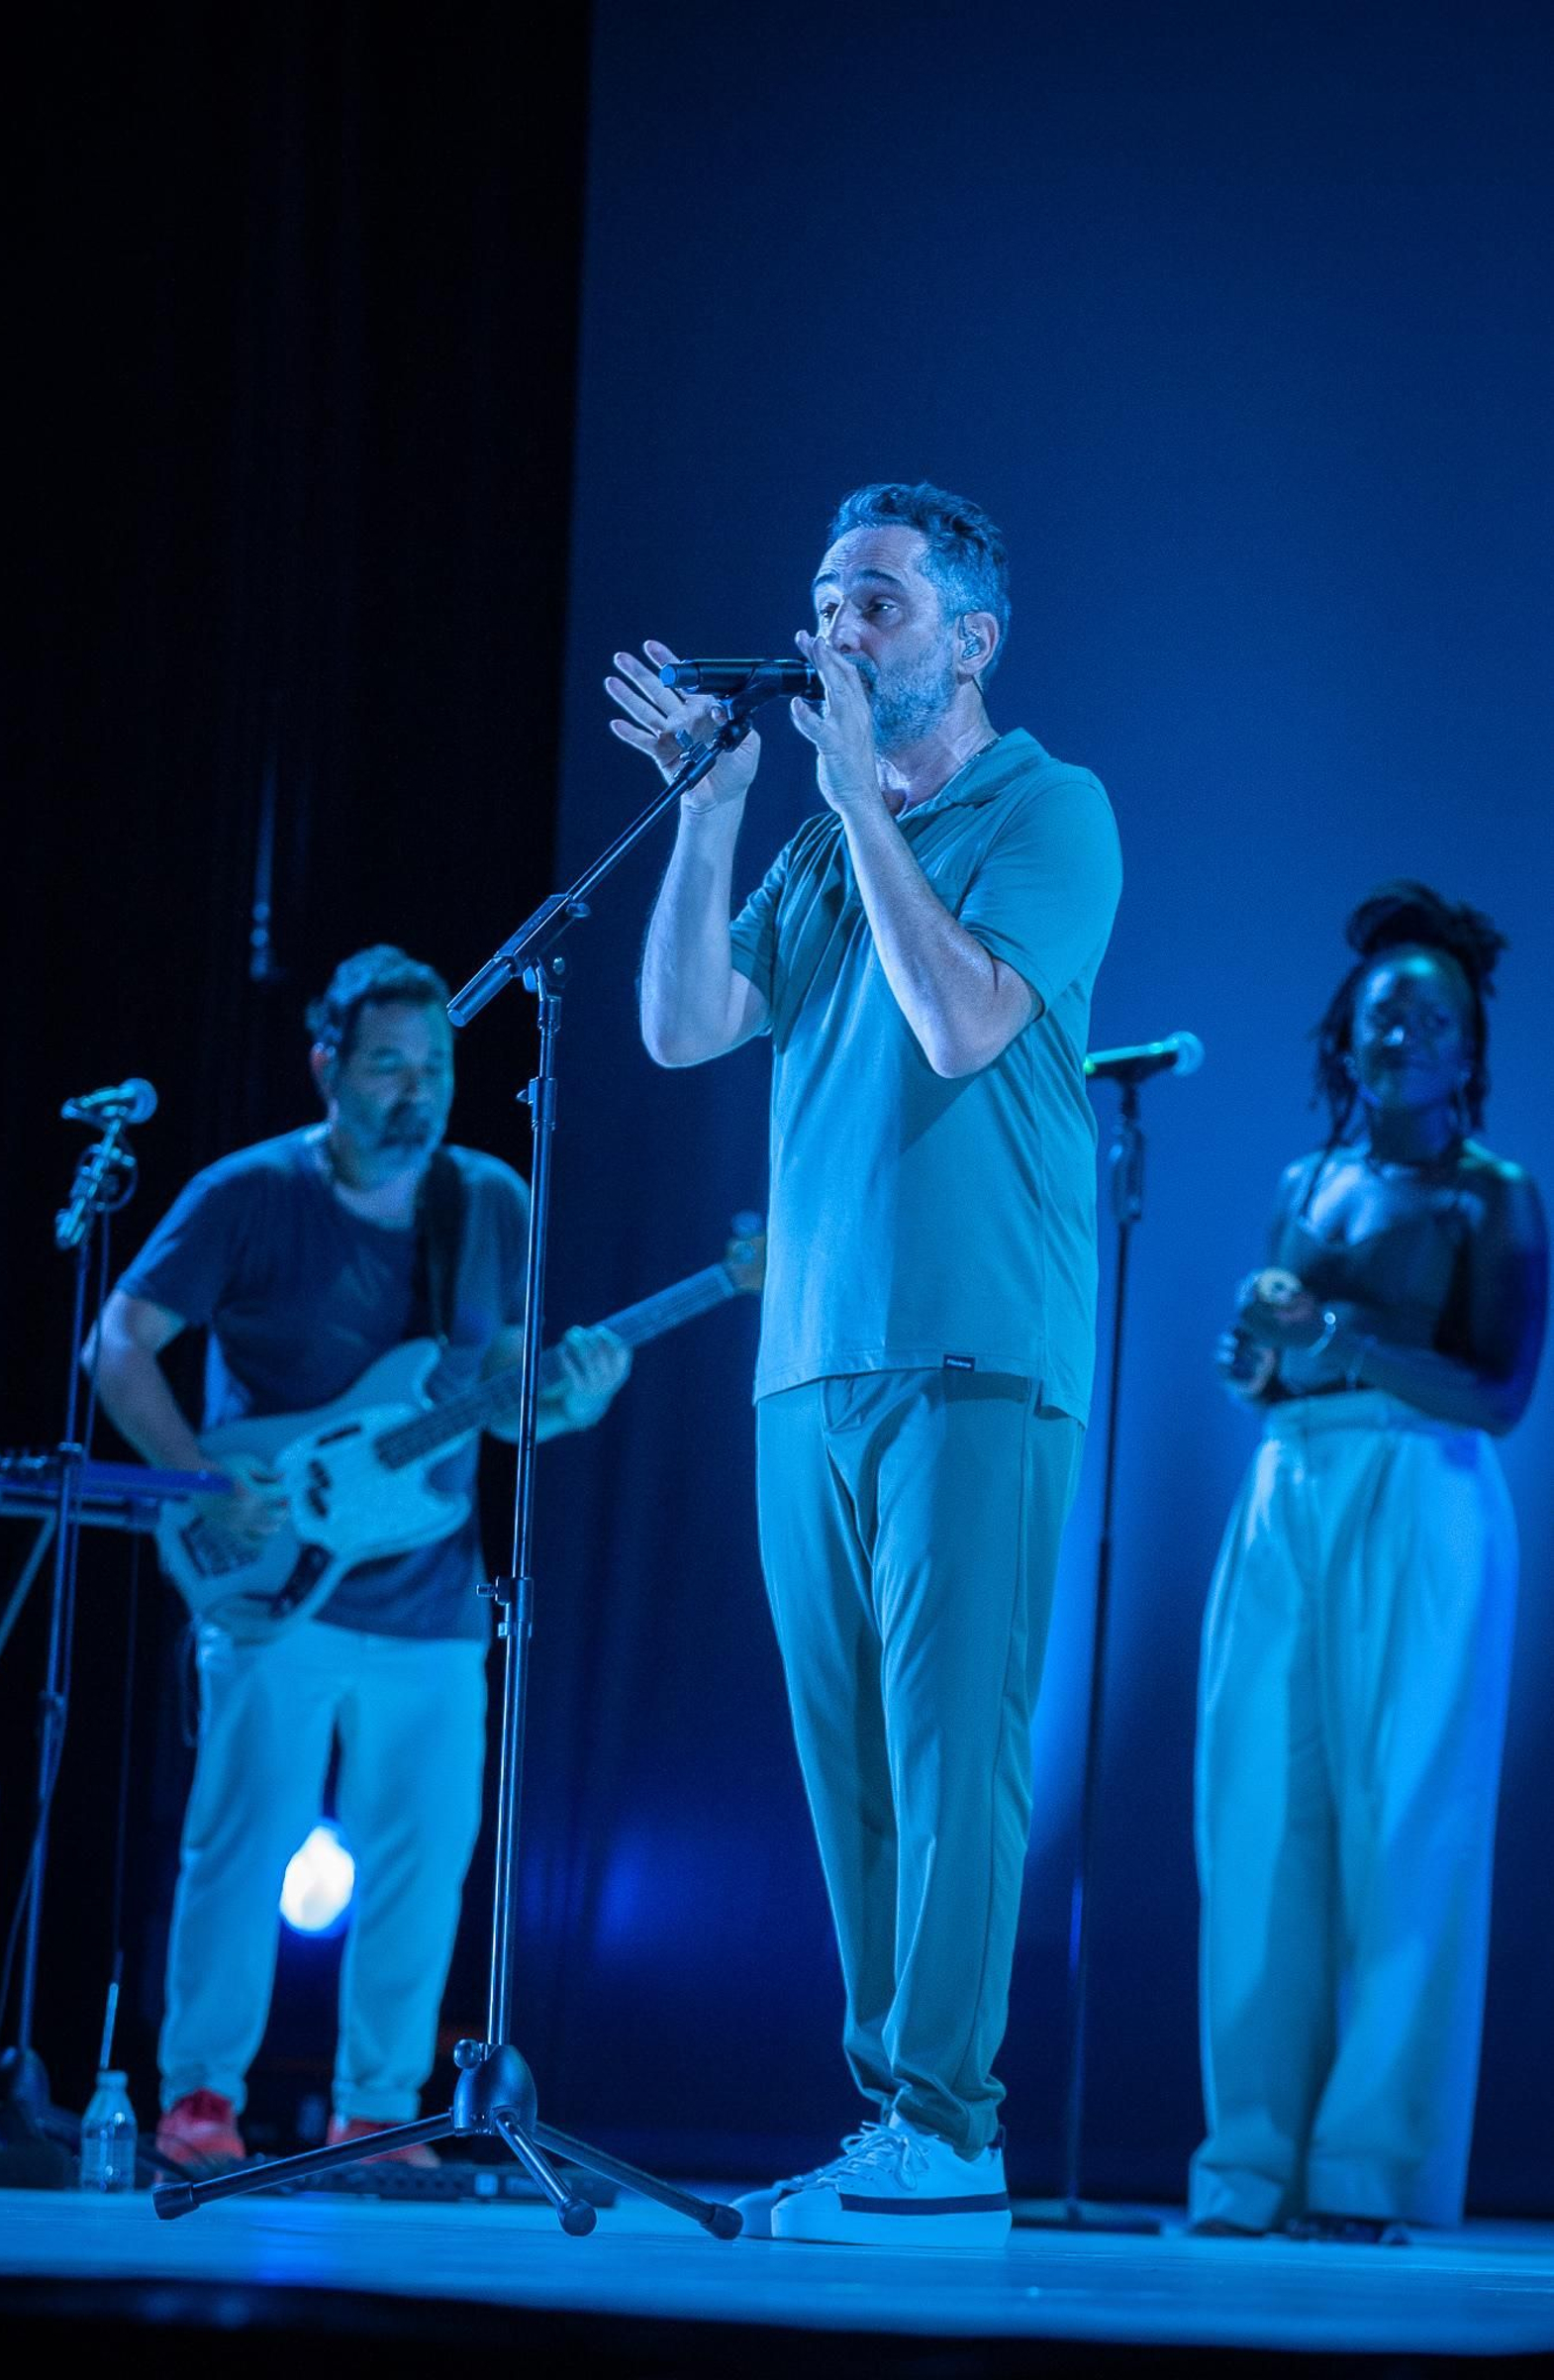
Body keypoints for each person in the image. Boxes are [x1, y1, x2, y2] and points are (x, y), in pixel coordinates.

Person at [611, 481, 1122, 2245]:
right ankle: (897, 2116)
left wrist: (849, 804)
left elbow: (967, 1018)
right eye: (825, 600)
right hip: (809, 1361)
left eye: (877, 606)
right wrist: (714, 815)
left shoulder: (1052, 807)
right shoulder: (827, 838)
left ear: (970, 637)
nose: (834, 631)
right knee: (852, 1771)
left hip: (977, 1352)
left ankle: (948, 2120)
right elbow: (684, 1026)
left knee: (949, 1748)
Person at [91, 944, 631, 2169]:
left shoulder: (488, 1200)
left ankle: (380, 2112)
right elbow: (120, 1339)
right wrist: (204, 1473)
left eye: (434, 1066)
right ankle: (199, 2102)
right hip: (277, 1587)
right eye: (388, 1063)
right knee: (239, 1845)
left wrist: (568, 1402)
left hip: (433, 1598)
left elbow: (495, 1399)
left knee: (422, 1864)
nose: (416, 1091)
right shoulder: (247, 1194)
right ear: (328, 1062)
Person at [1190, 883, 1547, 2241]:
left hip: (1425, 1495)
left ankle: (1366, 2175)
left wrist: (1339, 1346)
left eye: (1431, 1015)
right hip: (1292, 1490)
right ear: (1347, 1038)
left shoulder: (1493, 1197)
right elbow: (1272, 1374)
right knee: (1259, 1826)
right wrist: (1259, 1360)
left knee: (1410, 1832)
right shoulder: (1307, 1183)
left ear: (1468, 1051)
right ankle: (1248, 2167)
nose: (1402, 1030)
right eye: (1382, 1012)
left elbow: (1501, 1394)